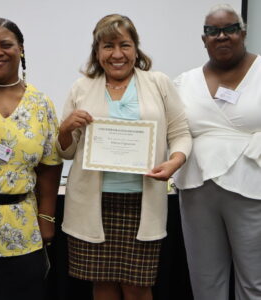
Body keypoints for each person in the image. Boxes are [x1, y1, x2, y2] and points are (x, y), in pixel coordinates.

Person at [56, 14, 192, 300]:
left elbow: (180, 133)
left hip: (141, 205)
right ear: (97, 51)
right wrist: (65, 128)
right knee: (102, 285)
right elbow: (65, 150)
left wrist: (175, 161)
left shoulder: (158, 83)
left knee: (138, 288)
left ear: (136, 48)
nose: (117, 54)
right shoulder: (81, 88)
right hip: (92, 205)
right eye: (108, 46)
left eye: (125, 45)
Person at [0, 18, 62, 300]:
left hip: (20, 232)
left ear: (21, 50)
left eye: (6, 45)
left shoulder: (41, 104)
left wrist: (46, 218)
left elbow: (50, 166)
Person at [174, 4, 261, 300]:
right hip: (197, 187)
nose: (222, 36)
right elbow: (172, 130)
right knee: (205, 279)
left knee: (254, 279)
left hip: (253, 186)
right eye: (213, 31)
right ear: (204, 39)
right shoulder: (184, 82)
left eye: (230, 29)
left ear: (243, 33)